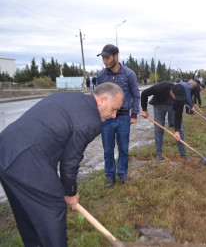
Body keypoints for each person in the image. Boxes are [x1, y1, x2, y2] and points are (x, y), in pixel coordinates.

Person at [0, 82, 124, 247]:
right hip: (26, 160)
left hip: (5, 149)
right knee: (53, 205)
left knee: (27, 212)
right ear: (102, 99)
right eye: (114, 109)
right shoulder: (91, 121)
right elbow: (70, 161)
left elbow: (53, 145)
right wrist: (70, 192)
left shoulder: (72, 96)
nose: (114, 115)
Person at [96, 44, 140, 188]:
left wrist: (134, 114)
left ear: (116, 56)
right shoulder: (101, 75)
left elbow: (135, 95)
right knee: (108, 149)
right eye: (103, 58)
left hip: (123, 118)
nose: (105, 61)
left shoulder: (129, 74)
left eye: (107, 58)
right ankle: (110, 176)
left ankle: (122, 174)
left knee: (123, 148)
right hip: (107, 120)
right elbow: (97, 97)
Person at [140, 81, 189, 160]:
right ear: (171, 92)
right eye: (176, 97)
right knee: (158, 129)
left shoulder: (180, 97)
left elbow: (178, 116)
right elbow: (144, 93)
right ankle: (159, 153)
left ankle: (183, 153)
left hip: (173, 107)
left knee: (180, 130)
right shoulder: (161, 87)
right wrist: (144, 110)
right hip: (159, 105)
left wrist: (176, 131)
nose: (177, 99)